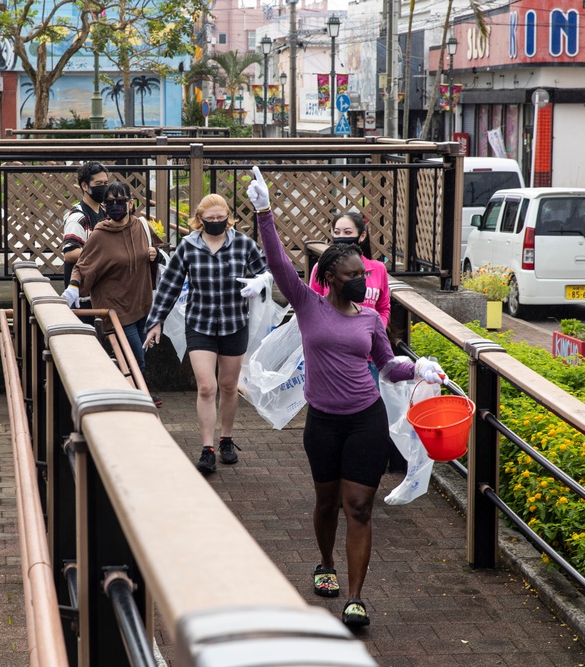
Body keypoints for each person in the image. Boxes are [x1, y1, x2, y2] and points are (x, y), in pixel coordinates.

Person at [246, 166, 444, 628]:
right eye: (353, 274)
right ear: (331, 277)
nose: (363, 280)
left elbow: (387, 365)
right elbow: (277, 263)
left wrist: (417, 367)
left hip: (364, 420)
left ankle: (356, 597)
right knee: (326, 502)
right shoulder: (307, 305)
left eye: (363, 273)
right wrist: (264, 212)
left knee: (358, 505)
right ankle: (326, 563)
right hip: (323, 422)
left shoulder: (370, 320)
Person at [142, 194, 271, 474]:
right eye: (209, 219)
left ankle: (226, 438)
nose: (215, 223)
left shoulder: (244, 244)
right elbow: (169, 287)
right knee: (205, 387)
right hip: (199, 322)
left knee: (228, 385)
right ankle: (207, 447)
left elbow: (269, 272)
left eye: (220, 219)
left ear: (228, 218)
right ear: (199, 220)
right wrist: (156, 321)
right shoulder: (188, 246)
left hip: (234, 323)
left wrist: (260, 281)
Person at [60, 182, 164, 405]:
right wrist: (73, 287)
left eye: (120, 202)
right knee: (135, 356)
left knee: (137, 355)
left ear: (130, 204)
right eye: (110, 203)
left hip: (142, 301)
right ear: (105, 207)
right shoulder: (100, 234)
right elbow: (82, 264)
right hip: (115, 308)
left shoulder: (141, 226)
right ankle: (141, 398)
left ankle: (135, 394)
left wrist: (155, 253)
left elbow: (160, 253)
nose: (115, 206)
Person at [309, 211, 391, 384]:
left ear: (362, 236)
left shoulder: (378, 269)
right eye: (336, 232)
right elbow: (312, 309)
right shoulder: (321, 269)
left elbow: (383, 307)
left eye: (347, 233)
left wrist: (375, 332)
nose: (341, 237)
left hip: (369, 356)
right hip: (332, 356)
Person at [62, 162, 110, 298]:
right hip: (82, 294)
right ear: (84, 186)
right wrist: (103, 255)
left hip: (101, 289)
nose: (104, 188)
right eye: (99, 183)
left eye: (106, 183)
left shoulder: (106, 211)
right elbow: (70, 253)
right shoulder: (78, 217)